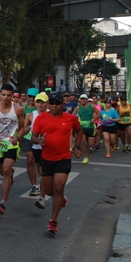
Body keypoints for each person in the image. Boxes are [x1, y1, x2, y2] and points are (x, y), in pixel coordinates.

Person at [31, 92, 82, 235]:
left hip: (63, 158)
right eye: (51, 103)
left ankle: (53, 221)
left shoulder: (70, 118)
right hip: (46, 158)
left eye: (57, 103)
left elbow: (79, 131)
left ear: (62, 105)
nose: (54, 106)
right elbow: (34, 136)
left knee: (59, 187)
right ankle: (60, 198)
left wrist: (76, 147)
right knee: (49, 191)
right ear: (48, 104)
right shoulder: (41, 119)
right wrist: (39, 141)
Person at [0, 84, 25, 215]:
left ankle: (3, 202)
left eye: (9, 95)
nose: (6, 97)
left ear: (12, 96)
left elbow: (23, 127)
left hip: (11, 143)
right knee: (3, 172)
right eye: (3, 95)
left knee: (6, 170)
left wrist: (18, 138)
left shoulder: (18, 109)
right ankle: (9, 174)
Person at [25, 93, 49, 209]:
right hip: (36, 146)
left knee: (45, 173)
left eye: (42, 102)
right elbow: (24, 130)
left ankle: (43, 197)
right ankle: (37, 188)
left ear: (47, 103)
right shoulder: (30, 115)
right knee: (42, 173)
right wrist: (26, 129)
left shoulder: (52, 114)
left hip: (50, 147)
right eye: (38, 102)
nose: (40, 104)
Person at [72, 94, 100, 163]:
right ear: (80, 100)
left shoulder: (91, 106)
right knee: (82, 142)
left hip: (90, 127)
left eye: (84, 99)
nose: (83, 100)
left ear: (87, 100)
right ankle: (85, 157)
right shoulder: (78, 108)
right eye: (82, 99)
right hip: (82, 128)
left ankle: (92, 146)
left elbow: (98, 113)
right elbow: (72, 116)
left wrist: (94, 118)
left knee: (90, 144)